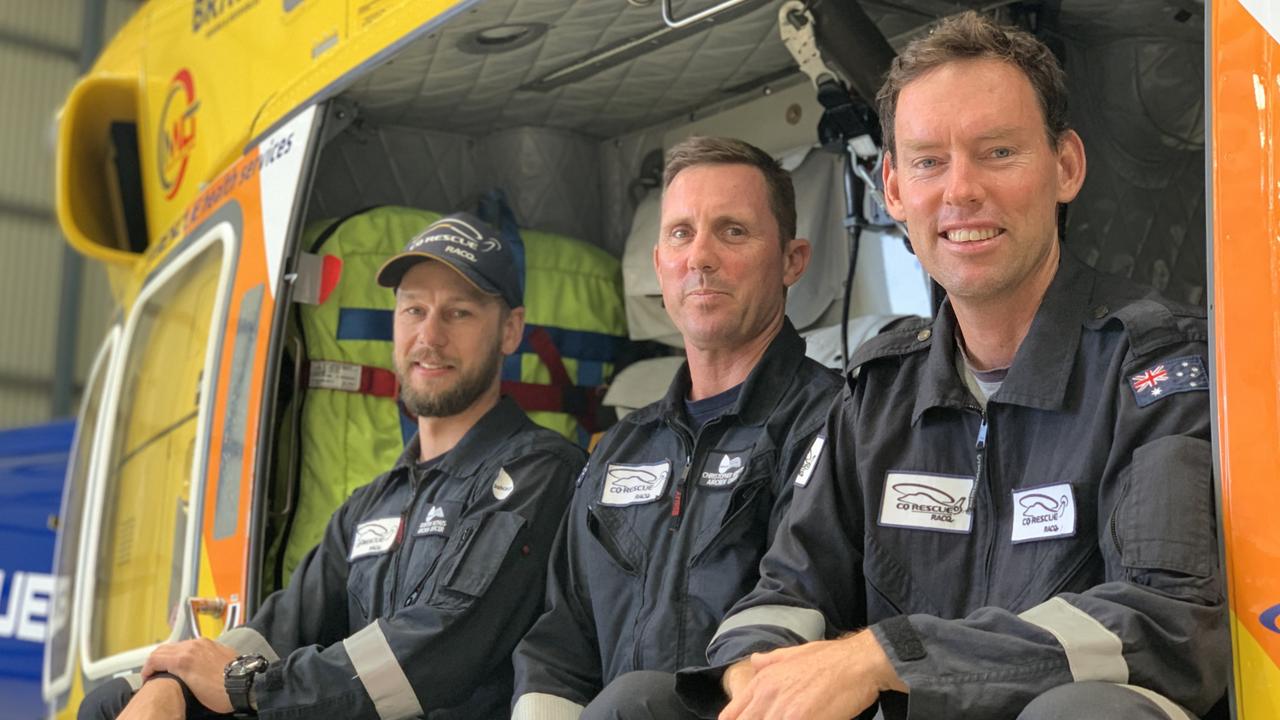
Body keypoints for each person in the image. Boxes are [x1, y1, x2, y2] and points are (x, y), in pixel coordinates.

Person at [676, 12, 1229, 720]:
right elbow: (787, 590)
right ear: (896, 190)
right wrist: (752, 672)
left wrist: (889, 656)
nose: (961, 190)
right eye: (930, 161)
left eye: (997, 152)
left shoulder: (1157, 372)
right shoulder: (877, 396)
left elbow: (1165, 625)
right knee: (642, 702)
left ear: (1065, 168)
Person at [83, 213, 585, 720]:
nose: (429, 337)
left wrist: (252, 687)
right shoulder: (372, 503)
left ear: (510, 331)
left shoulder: (539, 473)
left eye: (459, 314)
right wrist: (170, 680)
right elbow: (277, 629)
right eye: (414, 310)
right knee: (111, 703)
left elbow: (443, 644)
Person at [510, 136, 842, 719]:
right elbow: (560, 645)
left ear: (792, 260)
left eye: (733, 231)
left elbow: (800, 610)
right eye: (681, 233)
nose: (701, 257)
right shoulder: (618, 448)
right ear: (660, 262)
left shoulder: (835, 420)